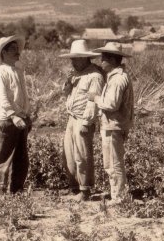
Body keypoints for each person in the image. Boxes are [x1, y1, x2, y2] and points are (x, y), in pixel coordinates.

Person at [57, 39, 103, 201]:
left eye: (76, 58)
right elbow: (66, 93)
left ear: (85, 58)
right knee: (68, 153)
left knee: (82, 155)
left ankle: (85, 189)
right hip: (72, 117)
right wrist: (68, 83)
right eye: (72, 59)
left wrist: (87, 122)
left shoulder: (95, 76)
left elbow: (93, 101)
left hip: (82, 118)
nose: (73, 62)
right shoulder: (76, 74)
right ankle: (74, 186)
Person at [89, 41, 134, 204]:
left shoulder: (117, 79)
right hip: (115, 124)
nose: (101, 62)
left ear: (112, 60)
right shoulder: (118, 77)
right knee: (113, 162)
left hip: (114, 125)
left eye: (103, 59)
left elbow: (111, 104)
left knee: (113, 163)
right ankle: (117, 194)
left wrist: (95, 98)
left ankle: (119, 197)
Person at [0, 35, 31, 194]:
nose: (17, 52)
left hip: (20, 119)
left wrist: (26, 114)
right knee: (2, 159)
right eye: (13, 49)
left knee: (21, 158)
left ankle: (17, 191)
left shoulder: (18, 71)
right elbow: (2, 98)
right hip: (8, 120)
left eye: (17, 49)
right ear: (4, 52)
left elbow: (23, 96)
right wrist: (14, 116)